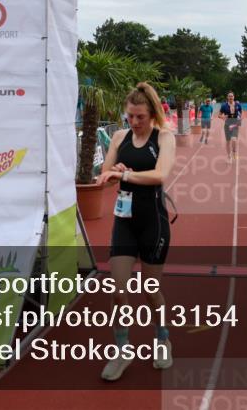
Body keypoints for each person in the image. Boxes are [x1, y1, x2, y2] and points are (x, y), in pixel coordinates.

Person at [95, 82, 176, 381]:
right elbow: (106, 173)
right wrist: (110, 175)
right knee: (117, 289)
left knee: (150, 291)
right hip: (125, 221)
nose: (135, 122)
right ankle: (122, 349)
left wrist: (124, 173)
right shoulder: (119, 136)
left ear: (152, 114)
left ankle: (163, 339)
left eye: (140, 116)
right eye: (130, 116)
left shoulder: (164, 138)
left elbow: (160, 175)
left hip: (153, 222)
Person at [218, 91, 243, 161]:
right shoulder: (224, 106)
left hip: (235, 124)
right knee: (228, 141)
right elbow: (219, 115)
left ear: (234, 97)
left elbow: (241, 113)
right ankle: (229, 155)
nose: (230, 97)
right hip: (227, 124)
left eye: (232, 96)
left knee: (234, 139)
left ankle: (234, 153)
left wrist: (240, 118)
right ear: (227, 97)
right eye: (229, 96)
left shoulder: (238, 105)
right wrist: (223, 117)